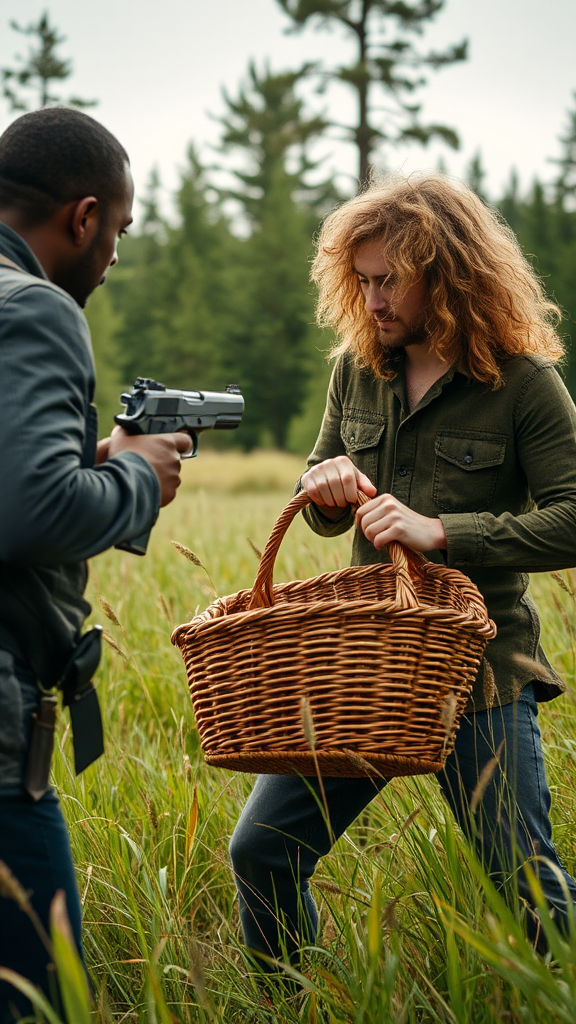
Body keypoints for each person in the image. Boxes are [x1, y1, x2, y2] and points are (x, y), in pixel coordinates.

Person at [229, 173, 576, 970]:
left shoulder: (524, 385)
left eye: (391, 280)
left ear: (447, 273)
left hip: (478, 674)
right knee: (263, 853)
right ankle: (291, 1003)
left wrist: (443, 531)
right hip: (367, 672)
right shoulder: (358, 369)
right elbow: (318, 487)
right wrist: (321, 489)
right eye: (362, 280)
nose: (374, 299)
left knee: (528, 888)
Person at [0, 107, 191, 1020]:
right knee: (46, 999)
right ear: (81, 217)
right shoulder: (37, 307)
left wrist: (95, 466)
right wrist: (142, 482)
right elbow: (34, 514)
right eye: (115, 228)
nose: (113, 252)